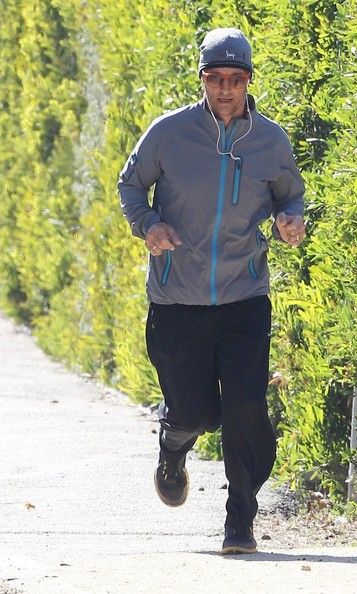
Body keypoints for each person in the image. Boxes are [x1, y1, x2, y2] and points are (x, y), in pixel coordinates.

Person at [118, 27, 305, 554]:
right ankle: (173, 447)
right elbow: (130, 184)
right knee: (194, 412)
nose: (225, 89)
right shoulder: (169, 133)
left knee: (246, 408)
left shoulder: (270, 140)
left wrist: (291, 220)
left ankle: (239, 521)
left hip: (245, 298)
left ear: (248, 82)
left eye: (236, 79)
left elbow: (291, 196)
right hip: (179, 301)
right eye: (216, 78)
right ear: (202, 79)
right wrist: (149, 225)